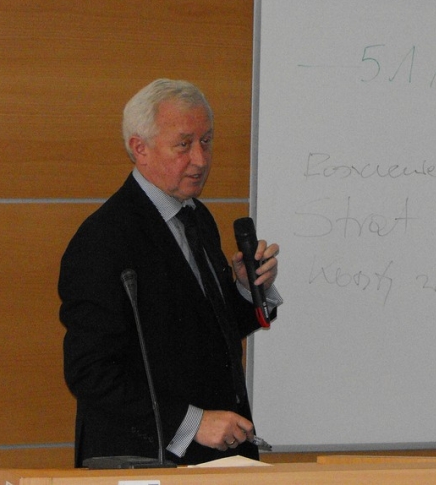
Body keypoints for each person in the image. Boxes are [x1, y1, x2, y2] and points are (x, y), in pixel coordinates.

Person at [58, 78, 281, 467]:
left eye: (206, 141)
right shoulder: (104, 239)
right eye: (184, 144)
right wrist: (192, 424)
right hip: (146, 460)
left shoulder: (197, 217)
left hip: (218, 459)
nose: (200, 159)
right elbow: (90, 372)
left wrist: (246, 290)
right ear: (139, 148)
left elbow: (201, 335)